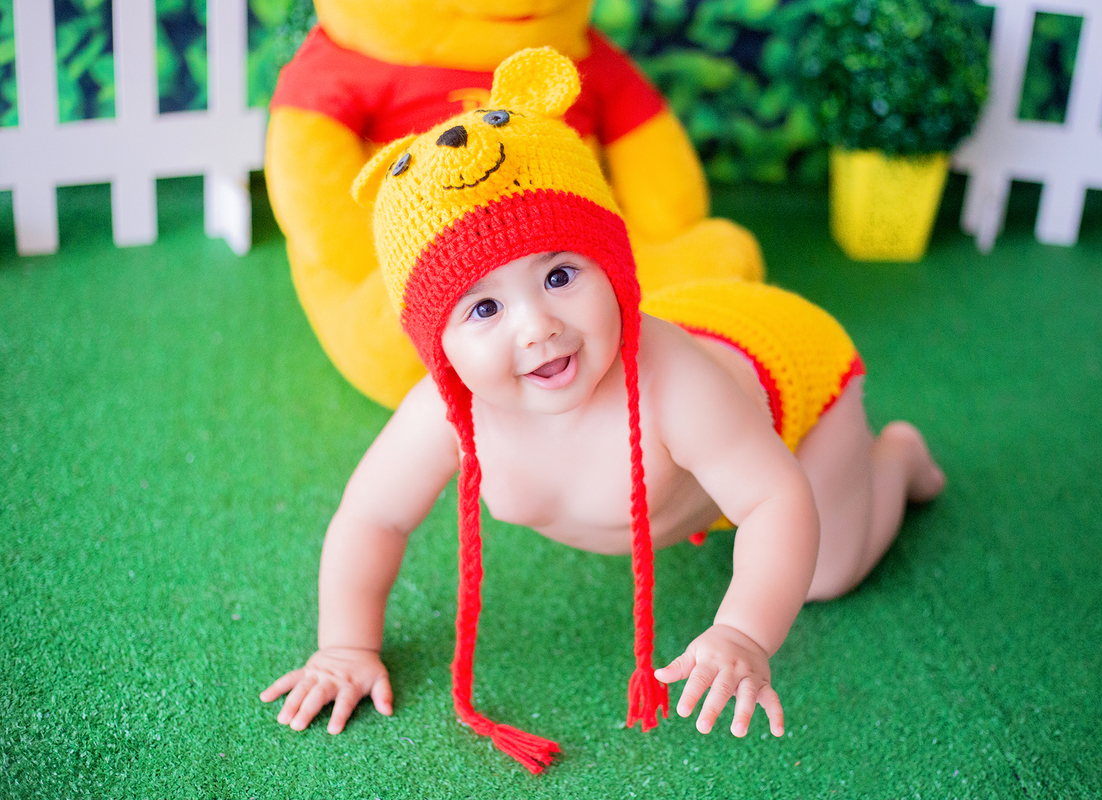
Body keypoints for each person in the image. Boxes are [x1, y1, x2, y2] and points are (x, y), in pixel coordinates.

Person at [259, 48, 945, 774]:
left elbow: (776, 500)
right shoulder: (445, 412)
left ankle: (896, 457)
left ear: (611, 266)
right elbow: (372, 516)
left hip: (789, 371)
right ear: (438, 346)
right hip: (700, 439)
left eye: (560, 274)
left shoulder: (672, 378)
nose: (537, 326)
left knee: (824, 573)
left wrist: (743, 633)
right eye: (485, 307)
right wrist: (346, 646)